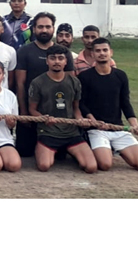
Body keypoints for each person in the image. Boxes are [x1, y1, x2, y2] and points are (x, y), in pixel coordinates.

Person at [78, 38, 138, 171]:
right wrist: (93, 122)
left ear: (111, 52)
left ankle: (116, 147)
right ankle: (101, 147)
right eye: (98, 51)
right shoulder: (85, 77)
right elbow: (82, 104)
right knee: (105, 165)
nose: (102, 53)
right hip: (97, 129)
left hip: (118, 128)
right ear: (92, 54)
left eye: (105, 50)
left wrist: (135, 125)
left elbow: (125, 103)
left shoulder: (120, 76)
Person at [28, 44, 97, 173]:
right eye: (53, 58)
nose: (57, 61)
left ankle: (68, 151)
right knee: (44, 166)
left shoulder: (74, 82)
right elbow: (32, 110)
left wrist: (80, 120)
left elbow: (76, 108)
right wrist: (43, 118)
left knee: (91, 167)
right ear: (47, 61)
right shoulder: (37, 82)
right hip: (48, 132)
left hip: (71, 132)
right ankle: (54, 151)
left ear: (66, 61)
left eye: (60, 58)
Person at [15, 12, 75, 157]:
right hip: (31, 111)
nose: (44, 30)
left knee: (60, 156)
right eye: (40, 27)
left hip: (56, 111)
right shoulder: (24, 51)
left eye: (48, 27)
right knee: (25, 152)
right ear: (34, 29)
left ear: (53, 29)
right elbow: (20, 83)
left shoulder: (64, 53)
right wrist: (23, 112)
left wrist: (67, 115)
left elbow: (70, 85)